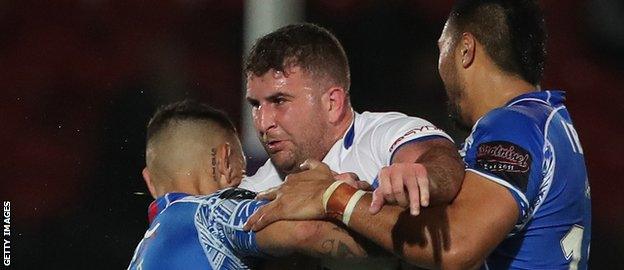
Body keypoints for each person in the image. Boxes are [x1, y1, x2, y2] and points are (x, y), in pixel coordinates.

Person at [244, 1, 591, 269]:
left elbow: (456, 246)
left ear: (465, 50)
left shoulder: (514, 125)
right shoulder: (547, 120)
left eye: (442, 48)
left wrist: (334, 196)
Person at [241, 23, 465, 216]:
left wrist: (422, 178)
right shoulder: (254, 192)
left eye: (279, 101)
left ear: (332, 103)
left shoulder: (384, 136)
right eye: (256, 105)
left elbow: (441, 163)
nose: (263, 123)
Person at [127, 100, 367, 270]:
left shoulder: (141, 254)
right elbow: (307, 232)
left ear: (149, 181)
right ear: (224, 162)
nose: (244, 183)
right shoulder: (211, 213)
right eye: (242, 172)